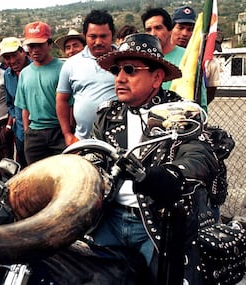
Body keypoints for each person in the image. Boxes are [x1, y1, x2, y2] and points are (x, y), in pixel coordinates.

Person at [91, 33, 218, 284]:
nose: (120, 78)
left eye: (130, 69)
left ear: (157, 77)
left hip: (159, 221)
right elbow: (94, 154)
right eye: (117, 70)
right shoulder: (107, 114)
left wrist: (172, 173)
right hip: (110, 218)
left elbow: (201, 154)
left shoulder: (181, 111)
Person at [56, 9, 117, 146]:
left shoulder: (125, 61)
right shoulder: (71, 64)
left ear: (112, 35)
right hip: (84, 141)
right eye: (93, 36)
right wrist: (67, 134)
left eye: (103, 36)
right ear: (85, 36)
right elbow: (62, 100)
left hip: (120, 142)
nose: (98, 41)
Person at [15, 21, 65, 165]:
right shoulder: (24, 73)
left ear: (49, 44)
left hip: (58, 131)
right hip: (34, 134)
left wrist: (67, 131)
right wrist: (27, 132)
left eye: (39, 45)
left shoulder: (62, 69)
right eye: (31, 46)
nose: (35, 50)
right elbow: (24, 108)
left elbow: (70, 104)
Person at [142, 7, 208, 111]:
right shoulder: (141, 59)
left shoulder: (188, 58)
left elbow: (201, 102)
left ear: (169, 30)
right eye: (148, 30)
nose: (153, 34)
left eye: (158, 28)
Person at [0, 37, 32, 168]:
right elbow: (10, 103)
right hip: (19, 131)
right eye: (7, 57)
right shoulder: (7, 75)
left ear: (23, 52)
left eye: (14, 55)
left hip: (38, 130)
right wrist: (14, 118)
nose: (12, 61)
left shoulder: (36, 69)